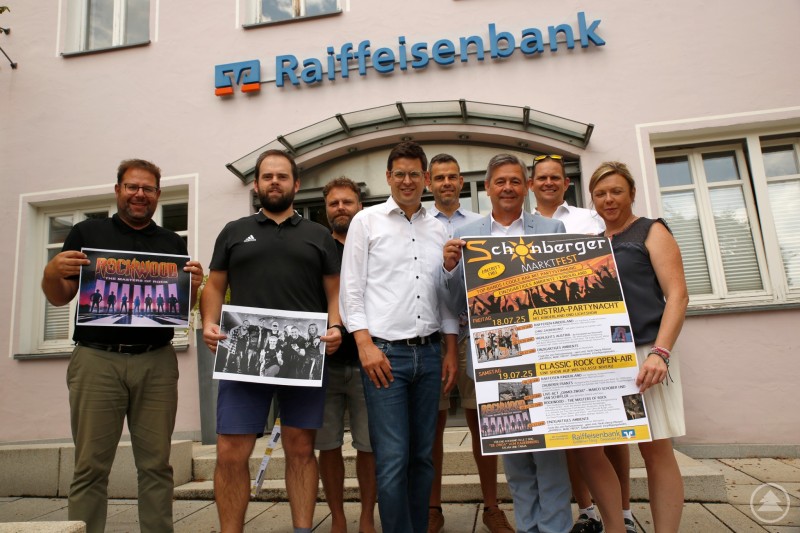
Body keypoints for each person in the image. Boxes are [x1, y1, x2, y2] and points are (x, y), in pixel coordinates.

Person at [40, 158, 203, 533]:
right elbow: (59, 297)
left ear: (158, 196)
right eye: (132, 187)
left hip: (157, 362)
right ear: (118, 190)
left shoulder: (172, 242)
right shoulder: (86, 233)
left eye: (148, 188)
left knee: (157, 466)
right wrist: (50, 272)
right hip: (97, 360)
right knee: (90, 466)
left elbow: (181, 307)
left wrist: (193, 288)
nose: (139, 194)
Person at [201, 149, 342, 533]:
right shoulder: (233, 231)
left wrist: (336, 327)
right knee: (231, 452)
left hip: (302, 358)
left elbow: (335, 293)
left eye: (282, 176)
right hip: (243, 356)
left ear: (296, 185)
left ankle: (301, 529)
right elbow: (215, 285)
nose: (274, 182)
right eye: (267, 177)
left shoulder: (318, 236)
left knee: (300, 448)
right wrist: (208, 322)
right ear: (257, 184)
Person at [442, 153, 572, 533]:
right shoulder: (468, 238)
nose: (508, 188)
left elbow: (568, 295)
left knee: (549, 452)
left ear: (527, 186)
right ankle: (529, 527)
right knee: (514, 452)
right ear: (487, 188)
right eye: (500, 181)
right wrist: (450, 269)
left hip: (545, 353)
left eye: (516, 181)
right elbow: (453, 304)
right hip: (496, 353)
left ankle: (555, 528)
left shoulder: (552, 231)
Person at [339, 141, 459, 533]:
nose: (407, 181)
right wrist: (364, 346)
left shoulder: (438, 227)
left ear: (425, 178)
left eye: (414, 174)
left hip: (429, 354)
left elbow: (443, 296)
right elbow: (350, 292)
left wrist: (450, 351)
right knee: (391, 459)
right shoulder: (366, 222)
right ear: (388, 178)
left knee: (422, 457)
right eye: (399, 174)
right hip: (385, 357)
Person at [575, 161, 688, 533]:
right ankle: (615, 528)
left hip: (646, 354)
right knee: (590, 449)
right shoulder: (591, 245)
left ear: (632, 194)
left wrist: (661, 352)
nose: (608, 199)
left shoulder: (650, 230)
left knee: (655, 451)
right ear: (592, 199)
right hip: (601, 359)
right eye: (600, 193)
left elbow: (677, 296)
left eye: (616, 191)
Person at [530, 154, 635, 533]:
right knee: (569, 430)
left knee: (614, 428)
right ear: (532, 184)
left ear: (565, 183)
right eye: (541, 178)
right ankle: (589, 511)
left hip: (594, 331)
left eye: (555, 177)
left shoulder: (589, 219)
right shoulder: (524, 227)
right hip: (550, 334)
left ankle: (623, 511)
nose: (548, 183)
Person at [425, 153, 512, 533]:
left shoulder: (481, 225)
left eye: (452, 176)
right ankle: (432, 508)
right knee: (433, 426)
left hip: (479, 334)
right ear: (429, 183)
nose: (446, 183)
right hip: (432, 337)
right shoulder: (421, 226)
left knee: (486, 424)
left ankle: (492, 506)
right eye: (439, 177)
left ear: (463, 181)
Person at [315, 176, 377, 533]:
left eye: (347, 202)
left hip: (369, 362)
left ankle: (367, 517)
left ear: (360, 206)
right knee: (329, 446)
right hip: (324, 364)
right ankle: (338, 518)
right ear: (326, 210)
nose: (341, 208)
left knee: (369, 447)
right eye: (334, 203)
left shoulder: (371, 242)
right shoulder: (317, 248)